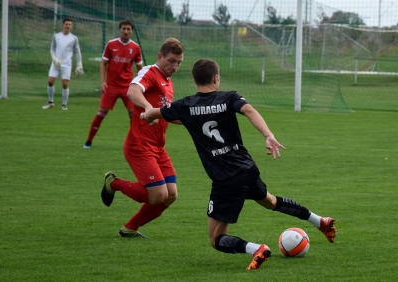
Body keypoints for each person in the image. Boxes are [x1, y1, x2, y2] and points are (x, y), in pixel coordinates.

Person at [140, 59, 337, 270]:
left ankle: (256, 249)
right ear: (216, 78)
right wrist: (268, 135)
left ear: (194, 80)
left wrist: (145, 114)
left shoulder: (184, 105)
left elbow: (153, 113)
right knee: (269, 201)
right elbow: (250, 111)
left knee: (216, 239)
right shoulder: (229, 97)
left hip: (226, 178)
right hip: (247, 167)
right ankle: (320, 221)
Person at [100, 38, 184, 238]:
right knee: (158, 195)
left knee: (171, 195)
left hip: (158, 147)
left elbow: (167, 114)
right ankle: (114, 183)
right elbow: (132, 90)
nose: (175, 66)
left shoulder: (168, 82)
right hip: (140, 145)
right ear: (159, 57)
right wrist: (147, 107)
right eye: (171, 61)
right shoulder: (150, 72)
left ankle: (130, 228)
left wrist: (194, 120)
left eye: (179, 63)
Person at [83, 19, 143, 149]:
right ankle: (88, 141)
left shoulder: (135, 47)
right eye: (123, 29)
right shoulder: (111, 44)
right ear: (119, 30)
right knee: (101, 112)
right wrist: (102, 82)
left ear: (132, 31)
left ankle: (135, 142)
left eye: (128, 29)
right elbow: (103, 63)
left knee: (133, 113)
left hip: (128, 87)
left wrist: (140, 85)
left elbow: (140, 68)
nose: (126, 31)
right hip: (111, 86)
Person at [42, 18, 83, 111]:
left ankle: (64, 104)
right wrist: (54, 58)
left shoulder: (74, 38)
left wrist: (79, 64)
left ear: (71, 26)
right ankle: (50, 102)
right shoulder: (56, 36)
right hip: (56, 63)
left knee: (65, 84)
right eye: (66, 24)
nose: (68, 26)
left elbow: (78, 51)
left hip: (66, 64)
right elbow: (52, 48)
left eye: (69, 25)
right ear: (63, 25)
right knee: (50, 81)